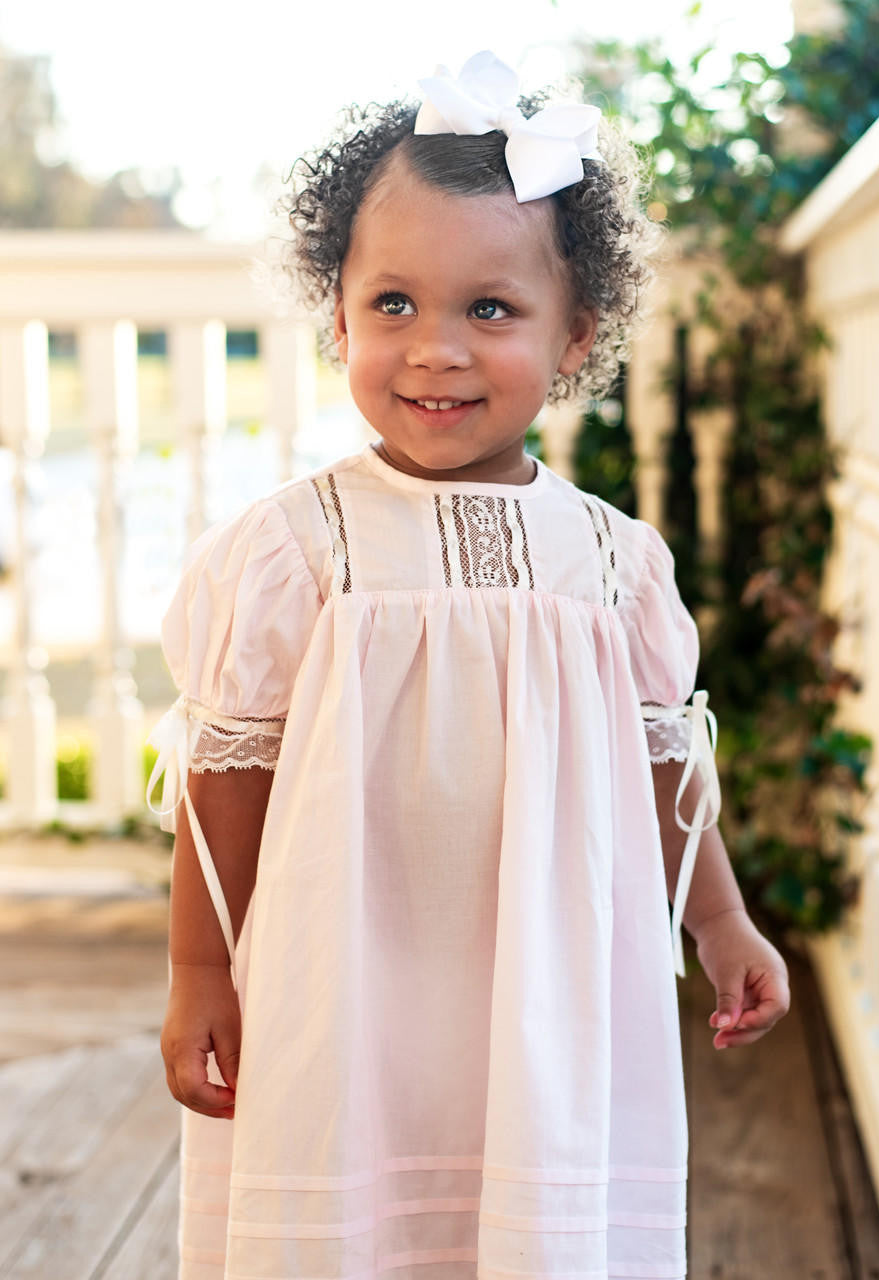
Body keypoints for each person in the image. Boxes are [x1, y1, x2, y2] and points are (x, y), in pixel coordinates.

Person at [147, 51, 790, 1280]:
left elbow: (666, 755)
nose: (434, 348)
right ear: (336, 314)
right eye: (393, 304)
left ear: (574, 336)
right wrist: (196, 972)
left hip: (550, 978)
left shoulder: (612, 563)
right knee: (354, 1212)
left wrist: (718, 914)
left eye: (488, 309)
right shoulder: (298, 549)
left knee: (535, 1209)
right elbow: (226, 769)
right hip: (348, 977)